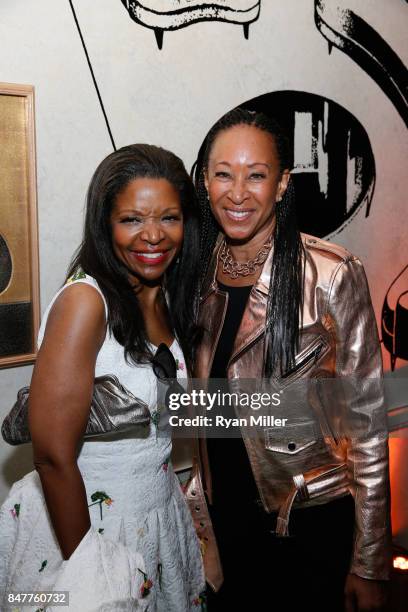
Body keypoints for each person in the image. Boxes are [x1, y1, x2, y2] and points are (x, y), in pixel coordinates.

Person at [191, 108, 391, 611]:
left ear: (281, 184)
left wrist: (369, 560)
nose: (237, 193)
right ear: (205, 180)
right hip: (223, 523)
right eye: (223, 174)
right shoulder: (194, 276)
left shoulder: (330, 273)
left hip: (306, 522)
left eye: (256, 175)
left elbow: (367, 421)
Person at [0, 144, 205, 611]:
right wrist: (94, 573)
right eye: (132, 219)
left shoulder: (167, 294)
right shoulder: (86, 303)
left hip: (156, 515)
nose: (152, 235)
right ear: (104, 223)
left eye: (169, 218)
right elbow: (52, 455)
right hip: (88, 526)